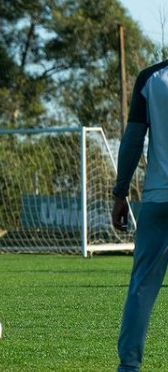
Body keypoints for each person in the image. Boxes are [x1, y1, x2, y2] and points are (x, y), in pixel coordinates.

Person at [112, 59, 168, 371]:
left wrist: (120, 193)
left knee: (142, 289)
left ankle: (129, 366)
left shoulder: (151, 78)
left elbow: (133, 140)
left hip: (159, 199)